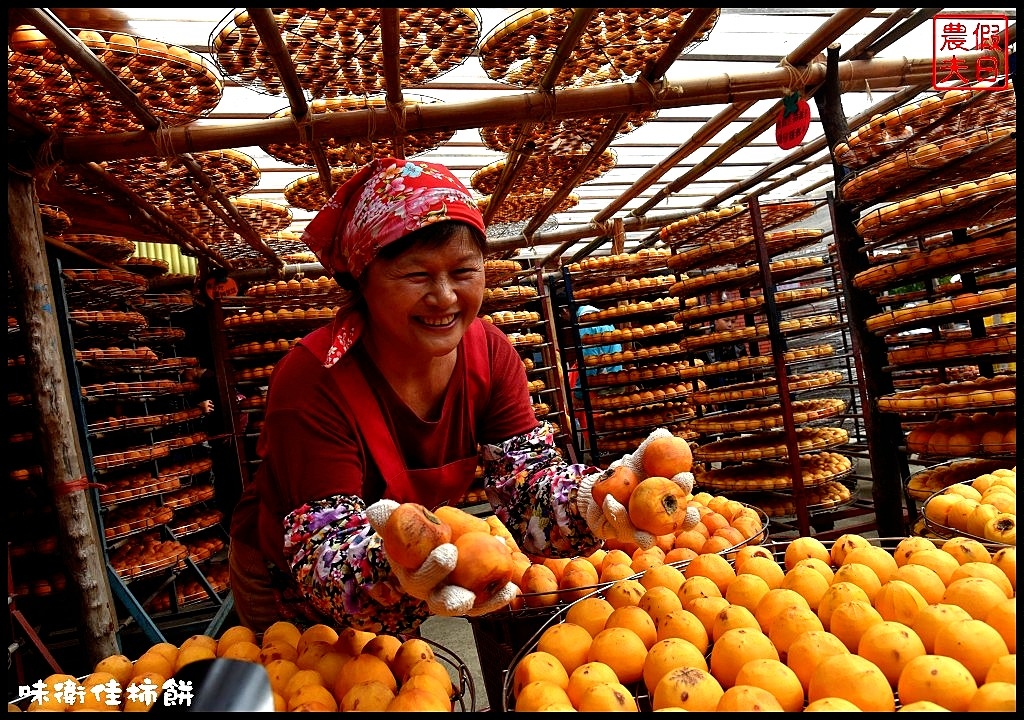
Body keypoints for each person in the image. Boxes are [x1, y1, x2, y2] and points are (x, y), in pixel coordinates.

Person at [227, 157, 698, 636]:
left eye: (464, 270)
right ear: (363, 280)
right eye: (416, 275)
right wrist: (398, 570)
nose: (446, 296)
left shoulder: (489, 352)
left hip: (405, 565)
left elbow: (525, 480)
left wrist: (590, 500)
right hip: (289, 577)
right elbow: (325, 544)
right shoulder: (313, 378)